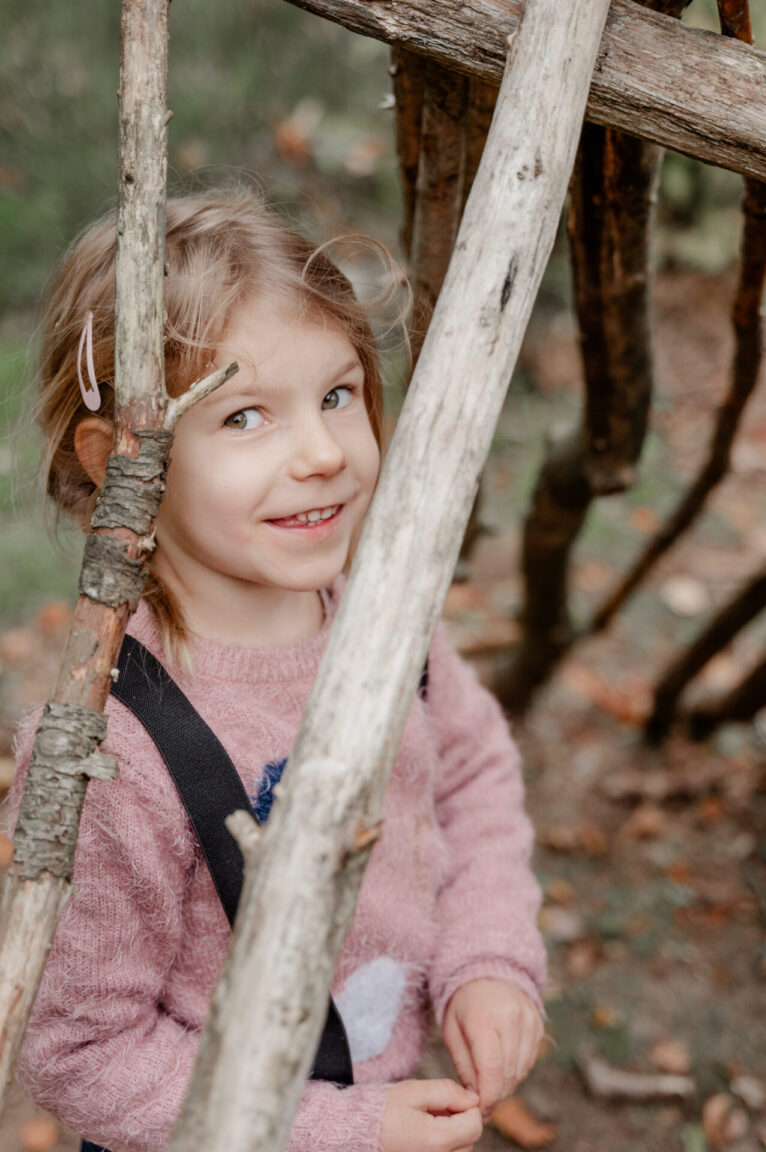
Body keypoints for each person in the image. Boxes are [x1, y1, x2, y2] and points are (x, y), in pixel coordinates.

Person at [8, 188, 547, 1152]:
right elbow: (80, 1052)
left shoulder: (381, 621)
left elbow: (470, 776)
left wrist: (488, 960)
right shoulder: (115, 751)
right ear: (124, 461)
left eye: (338, 396)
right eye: (247, 416)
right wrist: (341, 1131)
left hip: (380, 1090)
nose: (320, 453)